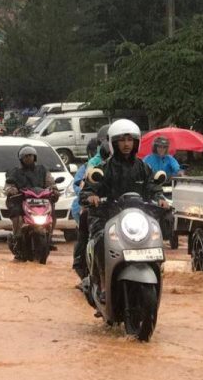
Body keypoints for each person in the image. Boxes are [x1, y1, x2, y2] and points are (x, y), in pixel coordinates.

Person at [80, 119, 167, 292]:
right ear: (113, 142)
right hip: (108, 216)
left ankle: (158, 275)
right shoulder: (102, 168)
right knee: (100, 240)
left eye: (130, 140)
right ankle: (103, 282)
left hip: (137, 219)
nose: (127, 144)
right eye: (122, 140)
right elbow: (87, 191)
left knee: (156, 236)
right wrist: (91, 197)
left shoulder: (144, 167)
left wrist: (161, 199)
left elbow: (153, 188)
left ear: (136, 142)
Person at [4, 145, 58, 259]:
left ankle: (50, 237)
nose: (28, 158)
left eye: (31, 156)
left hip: (41, 202)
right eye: (26, 156)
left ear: (35, 157)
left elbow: (50, 182)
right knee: (17, 215)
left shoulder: (43, 170)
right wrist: (11, 190)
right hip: (20, 201)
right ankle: (17, 238)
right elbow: (8, 184)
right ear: (21, 159)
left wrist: (54, 190)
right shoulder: (15, 172)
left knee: (52, 212)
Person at [71, 138, 101, 280]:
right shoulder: (87, 168)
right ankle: (81, 262)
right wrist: (90, 196)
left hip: (119, 210)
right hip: (89, 208)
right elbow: (79, 187)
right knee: (85, 229)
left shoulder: (135, 165)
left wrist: (158, 197)